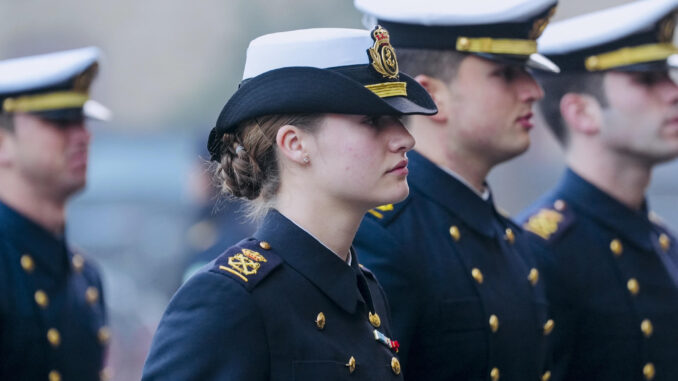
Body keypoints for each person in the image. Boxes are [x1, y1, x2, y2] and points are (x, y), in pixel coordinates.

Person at [141, 26, 437, 380]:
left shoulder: (365, 289)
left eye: (399, 119)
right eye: (372, 121)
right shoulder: (228, 299)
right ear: (295, 144)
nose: (405, 138)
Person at [352, 1, 559, 380]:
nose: (533, 90)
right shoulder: (382, 237)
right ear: (432, 96)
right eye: (507, 74)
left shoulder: (510, 238)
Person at [517, 1, 678, 380]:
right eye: (646, 80)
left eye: (668, 76)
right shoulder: (539, 251)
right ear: (581, 113)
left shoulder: (662, 241)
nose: (673, 92)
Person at [0, 47, 111, 380]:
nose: (83, 136)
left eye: (82, 121)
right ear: (2, 143)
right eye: (60, 121)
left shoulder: (85, 278)